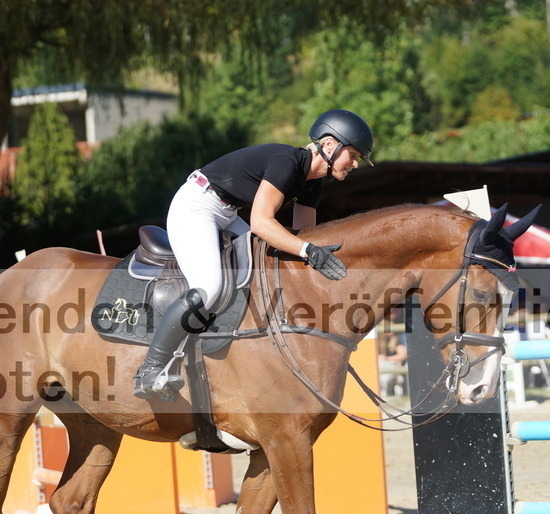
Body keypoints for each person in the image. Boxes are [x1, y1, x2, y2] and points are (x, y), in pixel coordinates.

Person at [133, 109, 374, 400]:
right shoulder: (287, 162)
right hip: (197, 204)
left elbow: (302, 237)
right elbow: (262, 223)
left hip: (225, 213)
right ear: (330, 145)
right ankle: (150, 368)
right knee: (209, 287)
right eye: (354, 154)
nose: (356, 164)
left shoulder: (313, 183)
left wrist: (320, 254)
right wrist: (309, 250)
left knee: (263, 266)